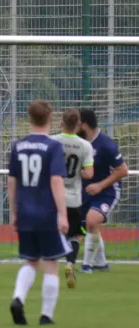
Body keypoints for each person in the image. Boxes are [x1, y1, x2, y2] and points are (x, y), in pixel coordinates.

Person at [8, 100, 70, 326]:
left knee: (31, 261)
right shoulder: (53, 147)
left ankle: (18, 298)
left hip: (25, 212)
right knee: (51, 263)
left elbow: (12, 182)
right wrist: (63, 213)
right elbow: (56, 181)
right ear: (50, 118)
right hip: (46, 214)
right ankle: (46, 316)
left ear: (29, 118)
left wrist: (14, 212)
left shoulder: (18, 146)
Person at [77, 109, 128, 273]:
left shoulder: (106, 144)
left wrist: (100, 185)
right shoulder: (78, 142)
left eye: (77, 123)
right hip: (85, 191)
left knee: (92, 221)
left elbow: (123, 170)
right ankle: (102, 264)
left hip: (107, 191)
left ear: (84, 125)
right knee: (87, 226)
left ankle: (86, 266)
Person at [52, 108, 94, 288]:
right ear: (78, 125)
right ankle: (70, 263)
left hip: (54, 195)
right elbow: (89, 174)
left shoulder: (53, 141)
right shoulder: (85, 146)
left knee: (53, 232)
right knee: (75, 235)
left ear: (61, 122)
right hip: (74, 198)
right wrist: (78, 172)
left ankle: (50, 269)